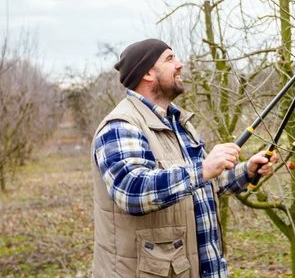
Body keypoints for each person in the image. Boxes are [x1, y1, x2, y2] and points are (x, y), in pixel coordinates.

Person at [91, 38, 275, 278]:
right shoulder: (121, 126)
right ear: (147, 73)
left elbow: (203, 185)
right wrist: (202, 169)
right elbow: (131, 191)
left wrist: (247, 170)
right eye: (169, 59)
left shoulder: (178, 124)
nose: (179, 64)